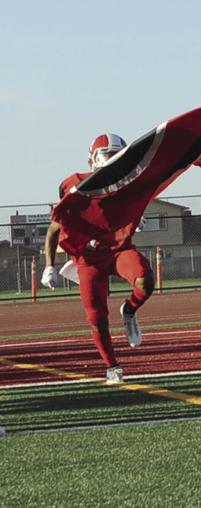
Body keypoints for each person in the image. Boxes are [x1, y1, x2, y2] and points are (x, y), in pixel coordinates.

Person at [41, 134, 154, 384]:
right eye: (108, 155)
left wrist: (135, 215)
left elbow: (136, 200)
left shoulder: (127, 183)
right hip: (88, 258)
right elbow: (54, 229)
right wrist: (49, 266)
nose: (113, 161)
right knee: (96, 316)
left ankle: (129, 310)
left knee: (145, 280)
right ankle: (112, 366)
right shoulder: (75, 185)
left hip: (117, 250)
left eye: (118, 155)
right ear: (92, 159)